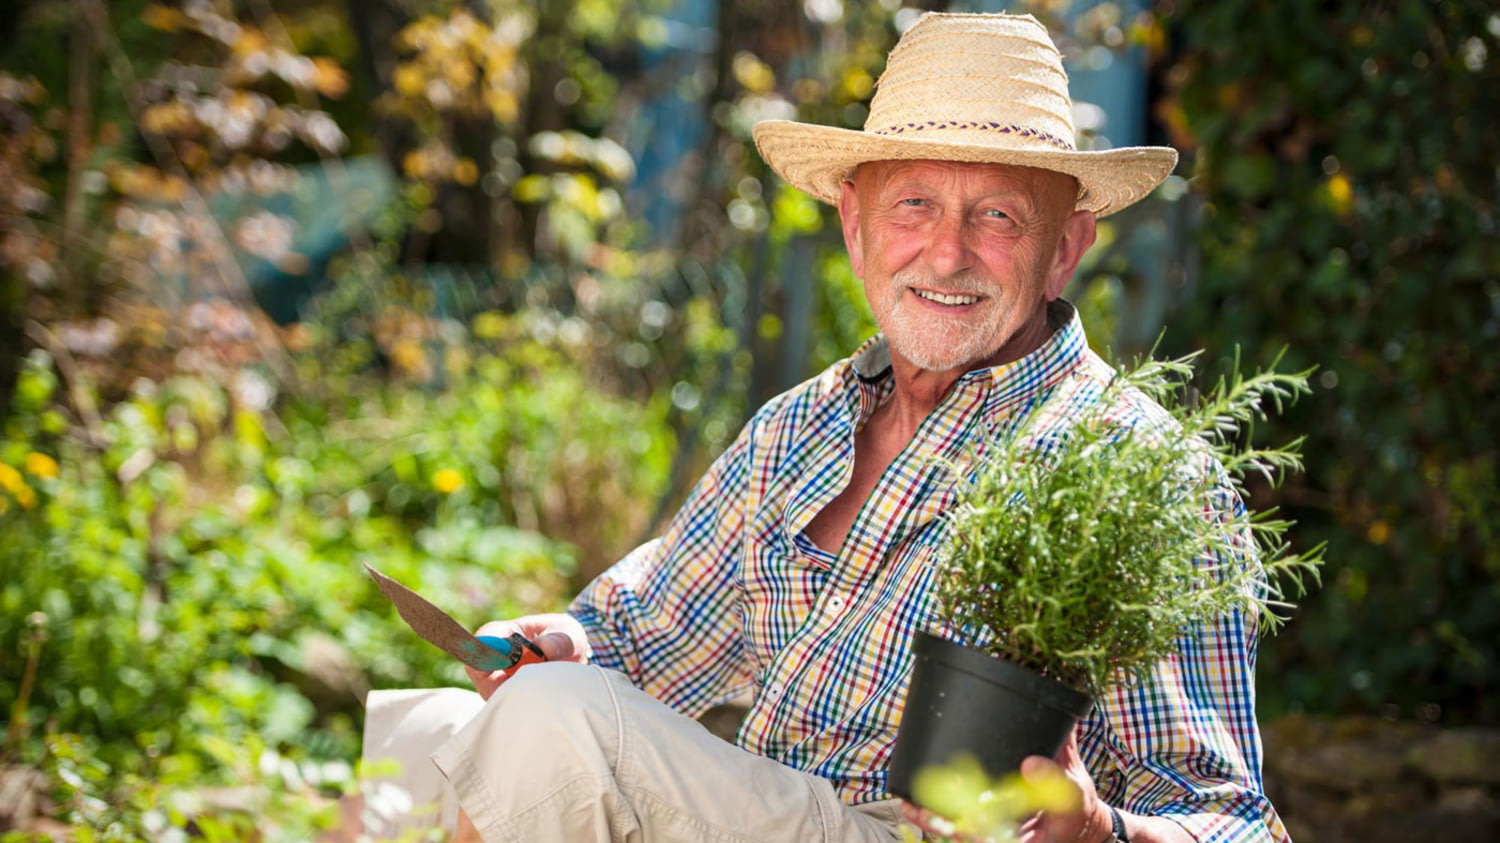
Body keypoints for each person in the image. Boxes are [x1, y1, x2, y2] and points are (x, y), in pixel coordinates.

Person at [361, 12, 1288, 843]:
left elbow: (1236, 824)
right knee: (434, 735)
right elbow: (645, 637)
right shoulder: (801, 425)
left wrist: (1096, 832)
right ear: (855, 226)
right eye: (913, 204)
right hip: (768, 808)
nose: (947, 252)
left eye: (998, 215)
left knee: (543, 726)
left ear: (1066, 250)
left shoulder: (1137, 475)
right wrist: (568, 640)